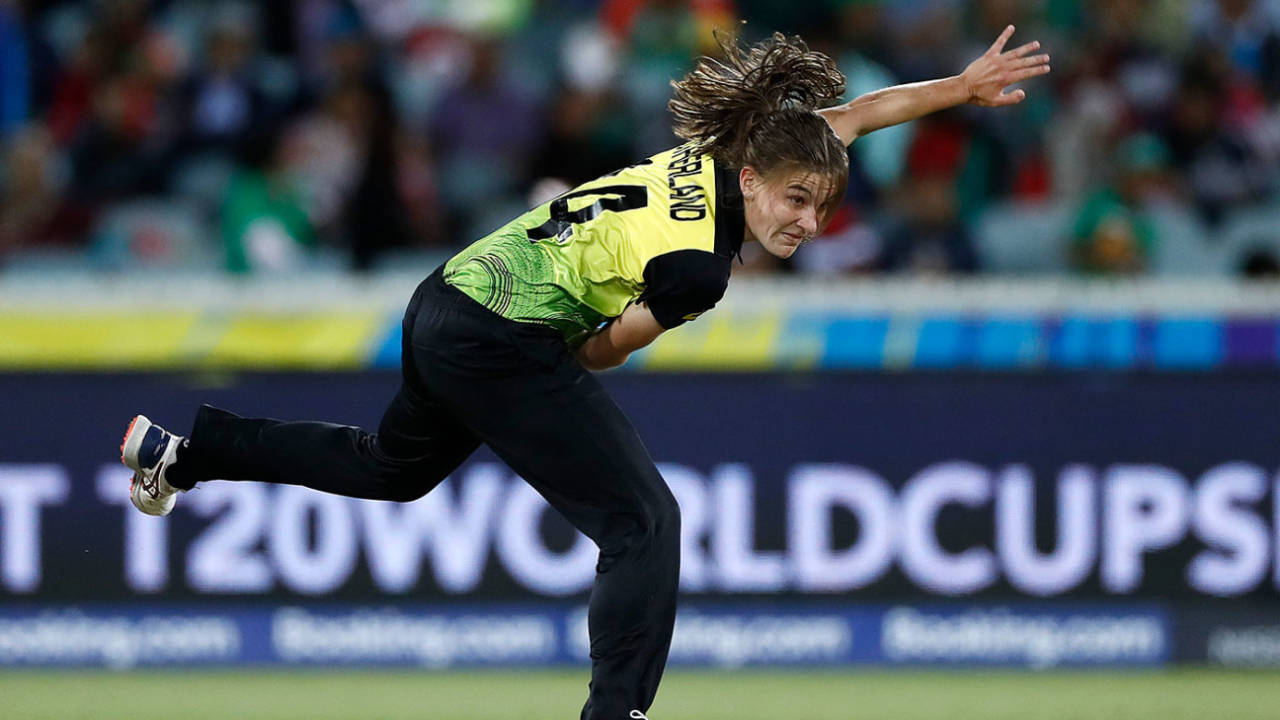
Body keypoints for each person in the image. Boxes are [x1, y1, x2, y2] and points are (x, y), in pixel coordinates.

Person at [119, 26, 1048, 720]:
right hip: (498, 335)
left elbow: (855, 119)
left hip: (446, 295)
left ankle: (187, 451)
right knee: (644, 520)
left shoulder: (724, 156)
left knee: (388, 468)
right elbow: (602, 350)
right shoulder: (699, 267)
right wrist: (556, 356)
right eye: (797, 201)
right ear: (759, 178)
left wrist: (959, 89)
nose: (806, 222)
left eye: (822, 206)